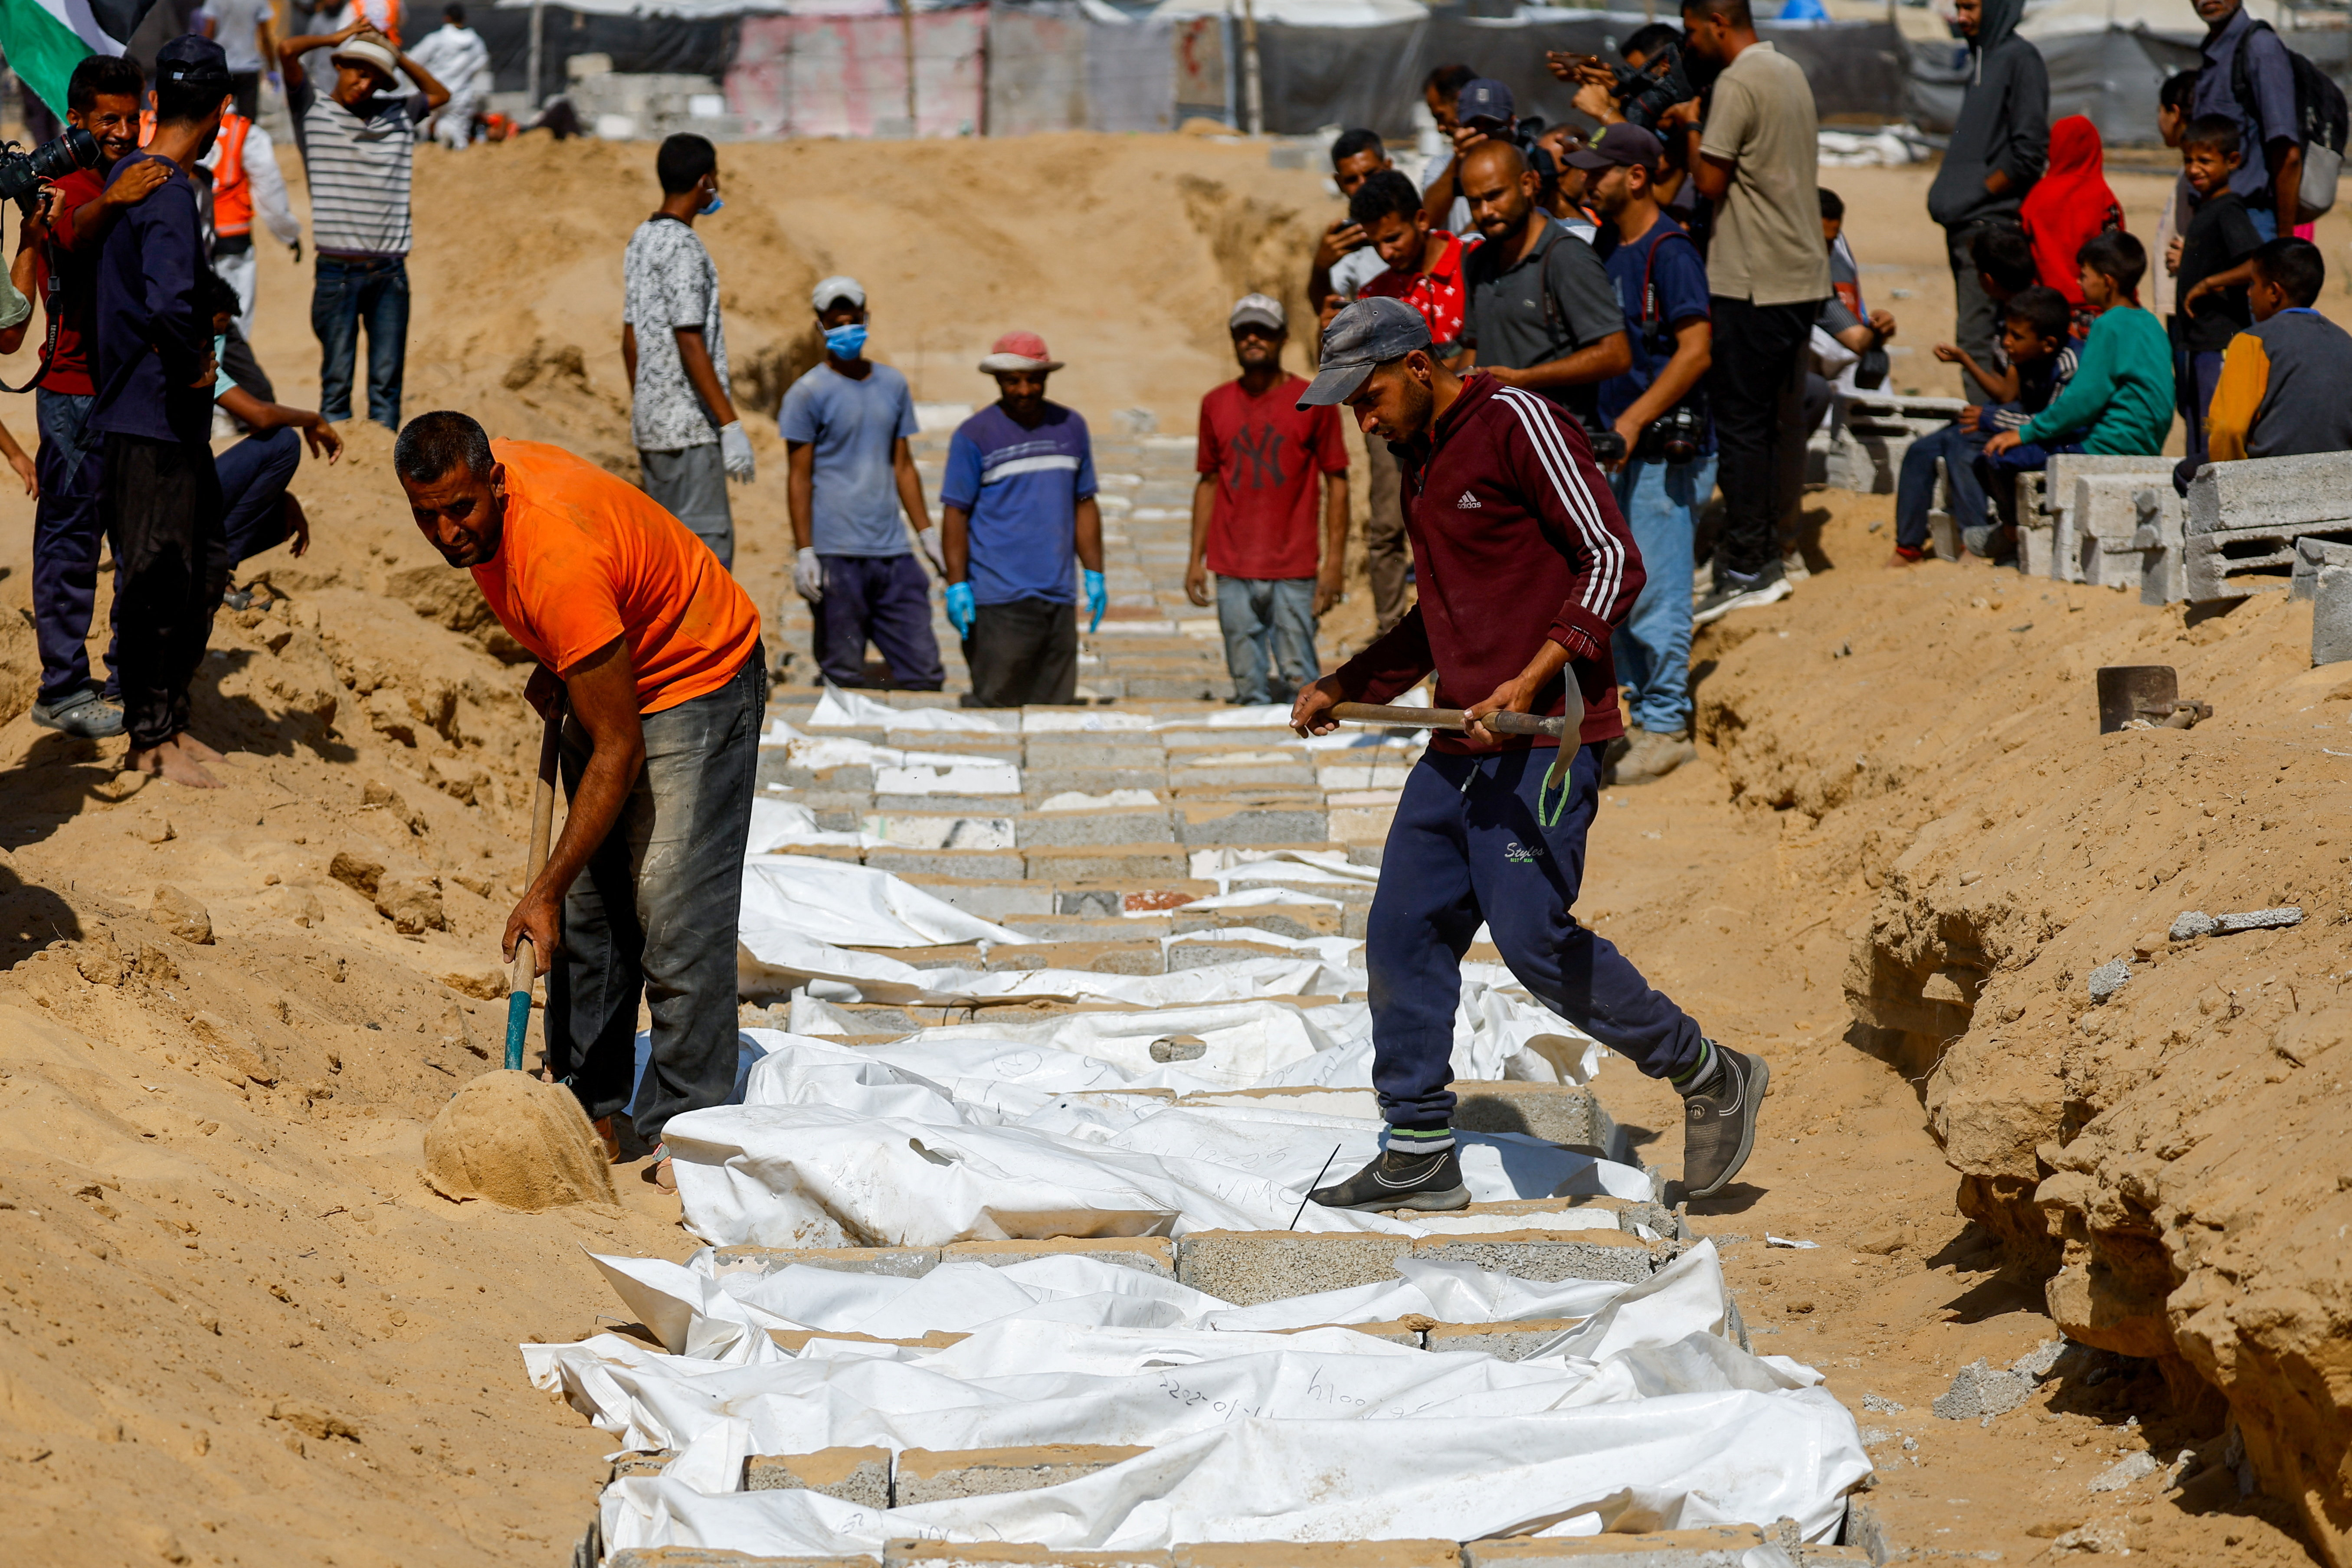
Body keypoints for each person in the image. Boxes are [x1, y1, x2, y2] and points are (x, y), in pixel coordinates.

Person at [1289, 297, 1765, 1210]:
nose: (1365, 418)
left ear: (1419, 367)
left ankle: (1710, 1071)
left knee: (1532, 939)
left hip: (1542, 738)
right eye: (1351, 406)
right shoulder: (1417, 457)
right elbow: (1439, 613)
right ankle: (1417, 1146)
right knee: (1400, 931)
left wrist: (1527, 679)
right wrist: (1349, 683)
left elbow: (1609, 560)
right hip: (1458, 744)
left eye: (1371, 394)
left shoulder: (1518, 421)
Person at [393, 411, 763, 1190]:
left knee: (671, 899)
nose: (447, 532)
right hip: (618, 658)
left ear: (495, 481)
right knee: (593, 913)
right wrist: (569, 657)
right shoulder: (501, 502)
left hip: (698, 676)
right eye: (426, 515)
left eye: (460, 509)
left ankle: (685, 1125)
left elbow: (618, 747)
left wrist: (541, 892)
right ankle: (589, 1105)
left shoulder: (554, 557)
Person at [91, 36, 234, 791]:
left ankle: (170, 719)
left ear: (154, 106)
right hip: (151, 413)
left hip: (151, 414)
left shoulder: (132, 175)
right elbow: (172, 301)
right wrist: (195, 366)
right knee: (156, 576)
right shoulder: (169, 189)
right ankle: (150, 737)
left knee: (202, 561)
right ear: (220, 111)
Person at [10, 54, 167, 740]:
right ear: (76, 119)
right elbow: (69, 238)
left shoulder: (119, 176)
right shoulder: (60, 184)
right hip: (73, 395)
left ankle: (123, 678)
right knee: (73, 544)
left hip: (126, 393)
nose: (126, 131)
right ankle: (63, 688)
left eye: (134, 118)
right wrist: (120, 199)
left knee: (134, 541)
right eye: (111, 119)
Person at [1664, 0, 1828, 624]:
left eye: (1690, 30)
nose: (1688, 43)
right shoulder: (1787, 70)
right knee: (1772, 425)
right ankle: (1766, 557)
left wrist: (1688, 124)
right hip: (1798, 275)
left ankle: (1746, 566)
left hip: (1753, 280)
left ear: (1716, 23)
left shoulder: (1736, 81)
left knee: (1739, 427)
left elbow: (1708, 182)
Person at [1580, 123, 1712, 783]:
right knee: (1623, 591)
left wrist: (1632, 420)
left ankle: (1667, 725)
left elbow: (1695, 350)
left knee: (1658, 590)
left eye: (1597, 171)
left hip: (1661, 450)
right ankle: (1636, 714)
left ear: (1634, 176)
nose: (1586, 181)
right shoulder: (1609, 245)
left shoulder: (1670, 252)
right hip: (1621, 449)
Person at [278, 18, 449, 429]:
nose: (365, 82)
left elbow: (441, 94)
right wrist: (337, 38)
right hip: (337, 271)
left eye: (375, 76)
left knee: (386, 386)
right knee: (336, 383)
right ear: (340, 65)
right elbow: (286, 50)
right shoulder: (312, 108)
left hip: (390, 273)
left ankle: (383, 473)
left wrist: (393, 53)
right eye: (359, 69)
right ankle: (342, 474)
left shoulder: (400, 113)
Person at [779, 274, 945, 691]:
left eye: (852, 319)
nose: (845, 329)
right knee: (843, 673)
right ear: (820, 326)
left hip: (892, 553)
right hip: (838, 555)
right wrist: (805, 552)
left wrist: (927, 535)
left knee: (924, 672)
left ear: (866, 318)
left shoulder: (892, 384)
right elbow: (799, 477)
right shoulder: (807, 393)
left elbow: (903, 465)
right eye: (835, 322)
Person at [1186, 294, 1350, 707]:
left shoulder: (1313, 400)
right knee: (1246, 682)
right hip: (1231, 565)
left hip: (1293, 565)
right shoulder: (1215, 403)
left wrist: (1333, 566)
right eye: (1244, 332)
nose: (1253, 339)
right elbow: (1207, 482)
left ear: (1282, 337)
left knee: (1302, 676)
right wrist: (1196, 559)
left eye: (1264, 331)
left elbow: (1338, 481)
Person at [940, 332, 1104, 709]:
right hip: (999, 600)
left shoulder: (1071, 427)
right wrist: (957, 584)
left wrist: (1095, 573)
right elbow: (956, 513)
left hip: (1058, 596)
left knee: (1054, 712)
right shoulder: (974, 435)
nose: (1026, 390)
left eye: (1034, 379)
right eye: (1014, 380)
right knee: (998, 705)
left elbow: (1084, 502)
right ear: (998, 381)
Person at [621, 133, 753, 570]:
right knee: (705, 563)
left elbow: (631, 337)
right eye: (715, 177)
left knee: (667, 563)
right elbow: (689, 338)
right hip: (690, 433)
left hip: (653, 429)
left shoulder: (642, 239)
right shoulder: (684, 247)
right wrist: (730, 423)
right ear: (704, 181)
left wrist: (646, 402)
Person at [1353, 165, 1474, 633]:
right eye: (1375, 243)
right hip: (1399, 429)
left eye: (1394, 237)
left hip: (1463, 422)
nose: (1386, 251)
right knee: (1389, 522)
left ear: (1422, 219)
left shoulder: (1472, 262)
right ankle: (1393, 631)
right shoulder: (1375, 294)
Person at [1982, 234, 2171, 521]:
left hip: (2107, 447)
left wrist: (2022, 434)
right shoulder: (2151, 324)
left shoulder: (2108, 325)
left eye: (2084, 276)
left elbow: (2082, 402)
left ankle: (2012, 533)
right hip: (2146, 445)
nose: (2079, 283)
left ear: (2107, 282)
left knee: (1999, 458)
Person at [1893, 285, 2075, 563]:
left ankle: (1976, 542)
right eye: (2007, 334)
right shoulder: (2026, 354)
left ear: (2048, 343)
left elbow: (2053, 422)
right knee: (1921, 450)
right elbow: (2008, 395)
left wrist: (1991, 419)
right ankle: (1908, 548)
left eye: (2016, 337)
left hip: (2040, 435)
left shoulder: (2067, 366)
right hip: (2013, 420)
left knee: (1964, 448)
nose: (2007, 342)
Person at [1924, 0, 2048, 404]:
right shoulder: (1983, 59)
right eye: (1958, 7)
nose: (1962, 17)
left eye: (1971, 7)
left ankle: (1987, 435)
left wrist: (1977, 194)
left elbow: (2028, 153)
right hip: (1967, 225)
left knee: (1981, 338)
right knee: (1982, 336)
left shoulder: (2019, 59)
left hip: (1989, 227)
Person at [1457, 140, 1630, 426]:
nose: (1485, 211)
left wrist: (1522, 379)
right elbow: (1475, 347)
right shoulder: (1478, 260)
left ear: (1528, 184)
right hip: (1496, 441)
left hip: (1558, 441)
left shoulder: (1566, 256)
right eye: (1475, 202)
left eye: (1495, 195)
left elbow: (1616, 355)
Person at [199, 269, 344, 578]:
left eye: (224, 332)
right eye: (217, 329)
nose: (218, 342)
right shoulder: (191, 361)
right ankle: (214, 573)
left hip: (176, 498)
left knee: (280, 514)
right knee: (284, 443)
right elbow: (260, 416)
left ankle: (210, 568)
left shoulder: (191, 358)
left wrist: (281, 494)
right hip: (166, 504)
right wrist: (313, 419)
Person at [2201, 237, 2352, 470]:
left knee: (2186, 472)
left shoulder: (2253, 342)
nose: (2249, 293)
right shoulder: (2346, 342)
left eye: (2253, 284)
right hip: (2338, 475)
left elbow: (2228, 429)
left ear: (2274, 292)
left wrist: (2229, 481)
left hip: (2271, 475)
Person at [2172, 115, 2265, 478]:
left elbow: (2257, 262)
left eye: (2205, 161)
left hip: (2219, 341)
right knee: (2197, 432)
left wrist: (2208, 284)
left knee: (2215, 437)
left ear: (2233, 161)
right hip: (2198, 343)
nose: (2194, 170)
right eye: (2188, 161)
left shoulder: (2229, 210)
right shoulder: (2205, 207)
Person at [2190, 0, 2304, 241]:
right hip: (2212, 219)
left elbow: (2288, 154)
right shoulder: (2213, 51)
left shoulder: (2260, 48)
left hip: (2250, 222)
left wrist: (2282, 242)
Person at [200, 101, 301, 342]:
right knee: (234, 326)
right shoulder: (244, 131)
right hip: (232, 238)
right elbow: (269, 188)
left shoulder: (158, 124)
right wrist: (288, 233)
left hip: (187, 241)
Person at [2018, 115, 2121, 323]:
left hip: (2045, 313)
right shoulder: (2102, 197)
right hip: (2094, 313)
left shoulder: (2036, 198)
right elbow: (2117, 258)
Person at [1308, 128, 1398, 324]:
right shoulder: (1348, 239)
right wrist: (1320, 268)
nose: (1364, 185)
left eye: (1370, 173)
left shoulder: (1414, 214)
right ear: (1339, 183)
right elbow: (1324, 308)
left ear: (1388, 167)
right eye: (1352, 180)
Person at [406, 4, 490, 150]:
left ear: (446, 18)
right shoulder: (476, 43)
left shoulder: (436, 40)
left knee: (423, 132)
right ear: (465, 19)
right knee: (457, 137)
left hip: (433, 93)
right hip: (461, 96)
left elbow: (414, 60)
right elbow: (481, 63)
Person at [2152, 71, 2198, 322]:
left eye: (2160, 112)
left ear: (2175, 113)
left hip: (2191, 298)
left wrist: (2192, 259)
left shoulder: (2198, 174)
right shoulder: (2190, 168)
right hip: (2182, 294)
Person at [1417, 64, 1478, 236]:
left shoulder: (1520, 153)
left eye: (1441, 116)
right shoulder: (1442, 167)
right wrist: (1458, 162)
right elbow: (1428, 220)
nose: (1440, 128)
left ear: (1460, 102)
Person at [200, 0, 278, 119]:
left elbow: (209, 32)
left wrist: (201, 63)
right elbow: (265, 37)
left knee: (219, 117)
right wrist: (272, 68)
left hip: (222, 66)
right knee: (247, 120)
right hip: (249, 65)